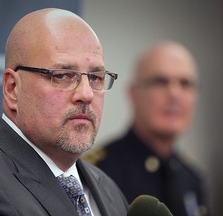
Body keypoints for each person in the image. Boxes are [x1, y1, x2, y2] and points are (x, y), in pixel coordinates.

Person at [0, 8, 128, 216]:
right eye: (63, 75)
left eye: (95, 78)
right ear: (12, 88)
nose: (86, 94)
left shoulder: (109, 189)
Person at [84, 41, 209, 216]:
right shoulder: (99, 173)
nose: (174, 93)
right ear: (133, 93)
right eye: (160, 82)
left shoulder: (191, 178)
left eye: (185, 84)